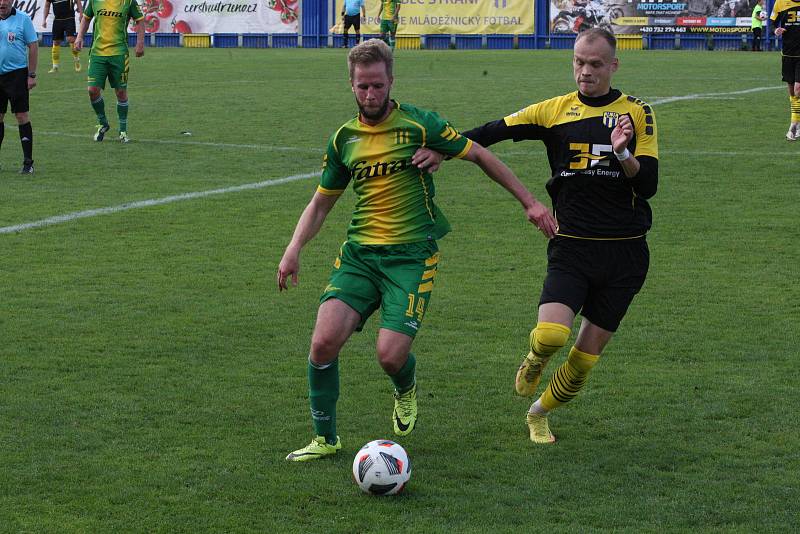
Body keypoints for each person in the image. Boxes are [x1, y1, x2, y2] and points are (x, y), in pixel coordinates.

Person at [278, 39, 556, 462]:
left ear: (391, 81)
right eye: (361, 87)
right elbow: (321, 202)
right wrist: (294, 247)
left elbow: (479, 154)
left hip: (411, 257)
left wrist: (530, 202)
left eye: (377, 85)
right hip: (360, 256)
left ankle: (404, 387)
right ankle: (325, 438)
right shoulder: (343, 139)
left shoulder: (418, 124)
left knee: (390, 357)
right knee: (322, 345)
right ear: (350, 86)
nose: (370, 95)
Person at [413, 28, 659, 445]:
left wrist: (622, 153)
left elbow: (648, 186)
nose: (585, 71)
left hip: (626, 254)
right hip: (573, 246)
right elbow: (493, 131)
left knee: (582, 363)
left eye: (596, 64)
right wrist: (441, 149)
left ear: (613, 66)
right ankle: (535, 357)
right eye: (579, 62)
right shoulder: (553, 111)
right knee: (551, 336)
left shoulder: (636, 112)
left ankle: (539, 414)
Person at [74, 0, 144, 143]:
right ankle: (103, 123)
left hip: (119, 54)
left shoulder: (128, 2)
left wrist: (140, 42)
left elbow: (140, 21)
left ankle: (123, 131)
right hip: (97, 53)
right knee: (92, 90)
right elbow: (86, 19)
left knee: (121, 92)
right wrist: (79, 37)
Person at [0, 0, 38, 174]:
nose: (2, 3)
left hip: (17, 75)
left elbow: (33, 45)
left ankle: (28, 162)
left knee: (21, 115)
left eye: (5, 0)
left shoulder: (23, 19)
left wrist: (31, 75)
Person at [771, 0, 800, 140]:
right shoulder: (780, 2)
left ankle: (793, 127)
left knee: (798, 89)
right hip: (787, 54)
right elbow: (774, 22)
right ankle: (798, 122)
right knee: (792, 93)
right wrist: (776, 30)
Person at [42, 0, 83, 73]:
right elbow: (47, 6)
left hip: (69, 19)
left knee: (70, 39)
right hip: (57, 20)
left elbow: (78, 1)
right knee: (56, 42)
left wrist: (81, 14)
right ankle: (55, 67)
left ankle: (77, 61)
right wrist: (44, 19)